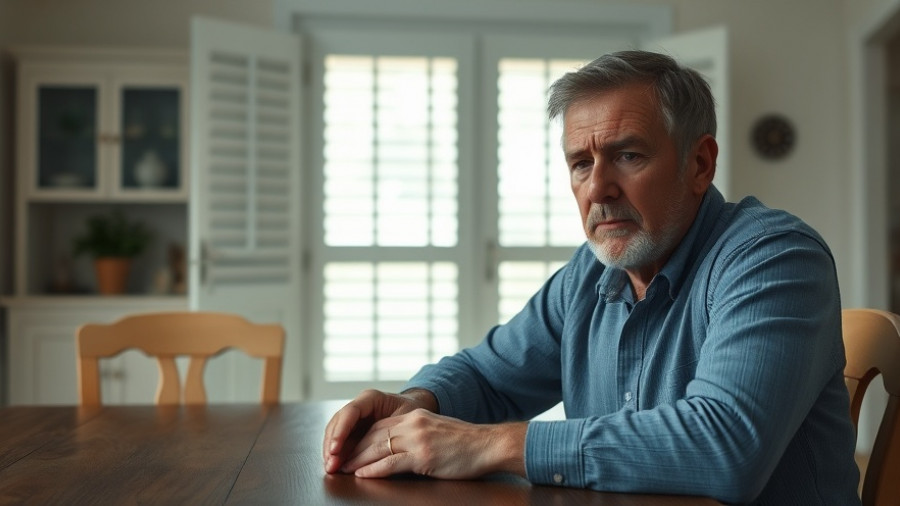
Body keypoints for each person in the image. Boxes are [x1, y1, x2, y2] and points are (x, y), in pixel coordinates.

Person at [322, 50, 861, 504]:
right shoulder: (592, 273)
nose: (598, 188)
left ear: (699, 164)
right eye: (581, 163)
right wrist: (419, 403)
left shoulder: (774, 258)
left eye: (627, 155)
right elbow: (490, 376)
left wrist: (494, 445)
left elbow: (726, 446)